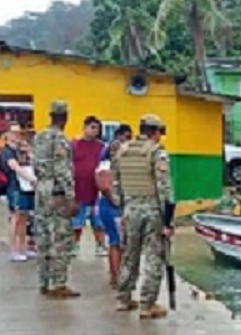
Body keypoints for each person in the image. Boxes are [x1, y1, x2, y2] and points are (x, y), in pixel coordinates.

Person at [114, 114, 175, 319]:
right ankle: (147, 304)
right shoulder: (157, 153)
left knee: (129, 254)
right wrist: (168, 221)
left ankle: (123, 298)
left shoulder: (122, 150)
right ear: (155, 132)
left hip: (130, 209)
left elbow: (116, 184)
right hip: (152, 210)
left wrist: (123, 207)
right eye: (159, 133)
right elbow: (164, 189)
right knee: (154, 256)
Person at [33, 100, 80, 299]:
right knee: (61, 237)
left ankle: (44, 281)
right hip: (56, 190)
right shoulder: (60, 139)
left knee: (43, 235)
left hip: (41, 187)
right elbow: (62, 170)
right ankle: (58, 283)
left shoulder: (39, 137)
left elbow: (35, 164)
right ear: (64, 117)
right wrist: (70, 198)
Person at [96, 124, 133, 288]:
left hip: (111, 206)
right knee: (117, 243)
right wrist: (117, 201)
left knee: (118, 242)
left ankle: (117, 276)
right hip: (111, 207)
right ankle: (117, 277)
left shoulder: (112, 166)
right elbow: (104, 187)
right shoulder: (106, 166)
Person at [0, 124, 37, 261]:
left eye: (18, 132)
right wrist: (33, 179)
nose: (16, 135)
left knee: (24, 217)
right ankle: (13, 250)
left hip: (27, 188)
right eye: (13, 132)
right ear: (7, 134)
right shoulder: (6, 151)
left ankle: (24, 247)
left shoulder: (21, 150)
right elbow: (15, 167)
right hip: (15, 187)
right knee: (15, 217)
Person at [72, 115, 106, 256]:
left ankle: (100, 245)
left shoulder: (102, 147)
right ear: (85, 128)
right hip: (78, 190)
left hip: (96, 191)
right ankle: (74, 246)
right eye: (92, 127)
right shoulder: (74, 145)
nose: (94, 131)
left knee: (98, 221)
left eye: (97, 128)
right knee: (76, 222)